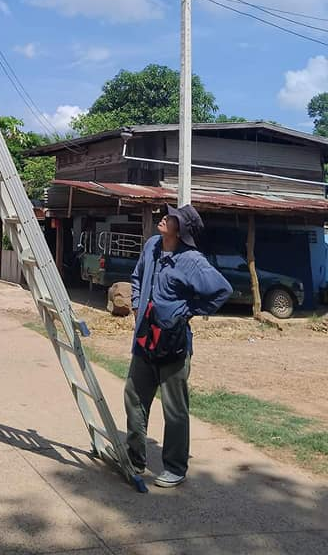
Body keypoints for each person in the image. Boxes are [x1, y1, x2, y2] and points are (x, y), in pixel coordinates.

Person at [124, 204, 231, 488]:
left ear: (180, 231)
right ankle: (134, 459)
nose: (164, 217)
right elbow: (137, 277)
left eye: (171, 218)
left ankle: (175, 467)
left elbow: (223, 290)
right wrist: (136, 304)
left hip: (173, 346)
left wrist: (188, 311)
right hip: (145, 339)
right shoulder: (151, 246)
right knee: (133, 397)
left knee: (174, 410)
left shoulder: (193, 261)